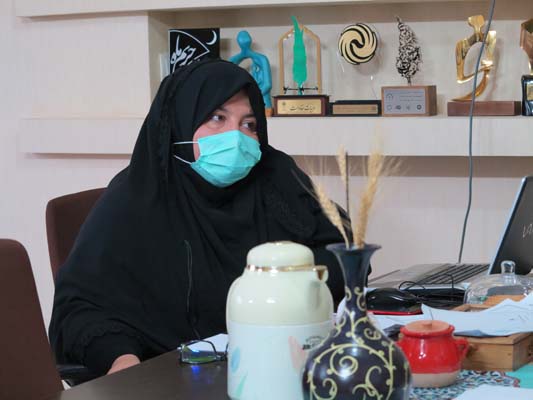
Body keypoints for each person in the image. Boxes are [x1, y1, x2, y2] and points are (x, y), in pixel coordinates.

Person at [49, 59, 346, 377]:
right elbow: (79, 309)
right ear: (180, 120)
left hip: (280, 363)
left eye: (249, 124)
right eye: (218, 118)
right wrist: (121, 359)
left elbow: (343, 253)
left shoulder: (275, 177)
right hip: (171, 378)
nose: (236, 137)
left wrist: (290, 293)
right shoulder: (136, 197)